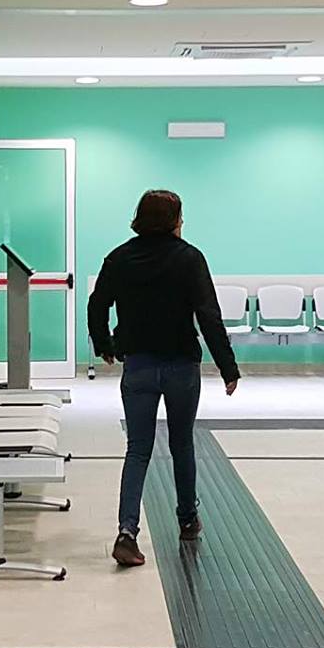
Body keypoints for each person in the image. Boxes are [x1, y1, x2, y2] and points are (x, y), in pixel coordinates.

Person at [87, 189, 240, 567]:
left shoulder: (119, 257)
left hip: (138, 365)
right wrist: (227, 367)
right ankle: (187, 520)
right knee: (181, 443)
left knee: (138, 449)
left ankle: (127, 532)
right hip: (181, 366)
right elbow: (208, 315)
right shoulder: (190, 258)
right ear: (173, 221)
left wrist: (104, 344)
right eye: (180, 217)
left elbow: (97, 303)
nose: (183, 223)